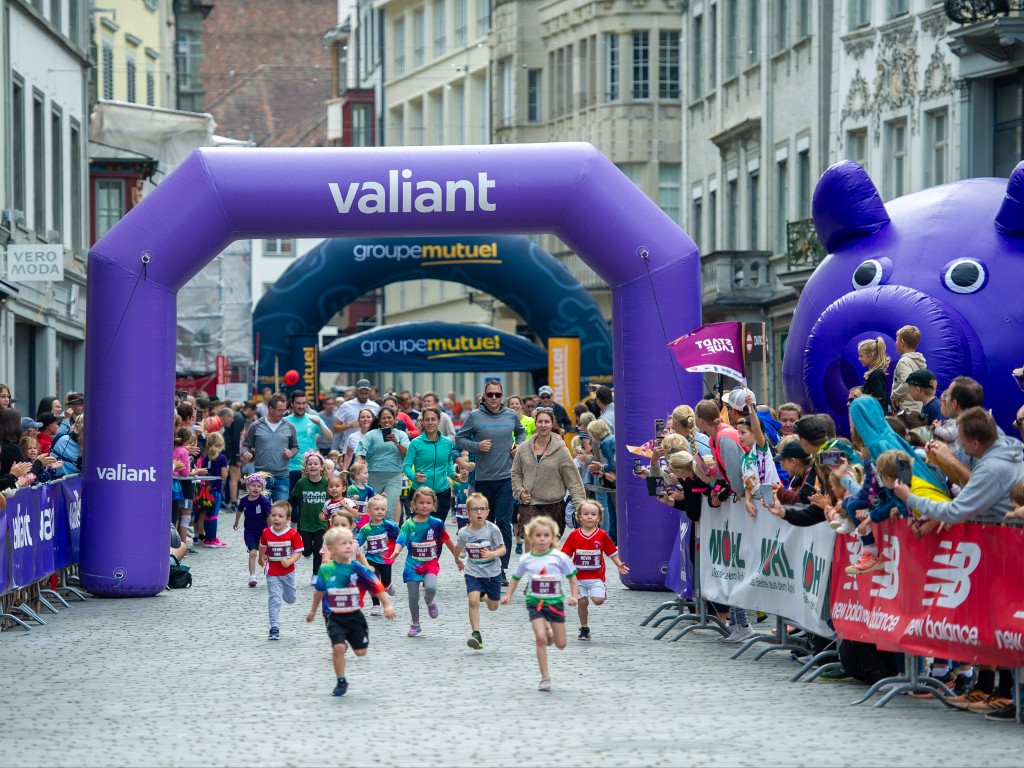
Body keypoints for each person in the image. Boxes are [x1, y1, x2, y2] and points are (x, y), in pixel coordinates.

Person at [306, 527, 395, 697]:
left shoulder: (357, 568)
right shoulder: (326, 570)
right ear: (331, 549)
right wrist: (313, 610)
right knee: (338, 648)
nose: (348, 546)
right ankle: (341, 681)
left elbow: (375, 586)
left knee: (361, 652)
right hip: (334, 616)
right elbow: (319, 592)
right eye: (343, 544)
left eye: (350, 543)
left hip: (355, 616)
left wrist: (387, 605)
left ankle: (357, 636)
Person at [893, 406, 1024, 522]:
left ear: (975, 443)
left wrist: (910, 498)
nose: (959, 442)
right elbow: (967, 490)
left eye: (960, 438)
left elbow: (954, 511)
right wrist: (943, 463)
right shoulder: (1004, 450)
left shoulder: (991, 469)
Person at [455, 378, 525, 585]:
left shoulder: (511, 415)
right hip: (484, 479)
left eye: (498, 394)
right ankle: (486, 565)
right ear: (484, 396)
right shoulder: (475, 416)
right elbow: (459, 439)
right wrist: (476, 446)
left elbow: (520, 432)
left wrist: (519, 446)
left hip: (506, 478)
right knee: (486, 523)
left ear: (502, 396)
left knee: (504, 523)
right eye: (490, 394)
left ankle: (501, 568)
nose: (494, 398)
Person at [500, 515, 579, 692]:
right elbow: (515, 578)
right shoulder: (526, 559)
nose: (542, 539)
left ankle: (551, 632)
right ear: (530, 537)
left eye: (546, 535)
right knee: (540, 638)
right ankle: (545, 677)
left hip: (555, 602)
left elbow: (572, 577)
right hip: (535, 602)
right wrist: (508, 596)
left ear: (552, 537)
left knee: (561, 644)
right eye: (538, 535)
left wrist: (574, 596)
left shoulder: (559, 557)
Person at [390, 487, 464, 637]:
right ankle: (415, 623)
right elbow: (401, 540)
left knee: (430, 588)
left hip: (430, 564)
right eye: (421, 502)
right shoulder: (408, 525)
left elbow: (448, 542)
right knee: (412, 597)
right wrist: (396, 551)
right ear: (414, 504)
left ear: (433, 505)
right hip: (412, 565)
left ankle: (429, 601)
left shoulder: (436, 524)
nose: (424, 506)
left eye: (428, 503)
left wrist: (457, 558)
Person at [511, 405, 587, 537]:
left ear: (552, 424)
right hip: (530, 503)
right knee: (531, 541)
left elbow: (573, 480)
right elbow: (516, 472)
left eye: (547, 422)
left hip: (554, 505)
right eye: (540, 421)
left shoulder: (561, 450)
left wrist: (580, 508)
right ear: (535, 423)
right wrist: (519, 491)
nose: (543, 425)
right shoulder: (523, 448)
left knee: (550, 549)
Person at [560, 500, 628, 641]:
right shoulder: (574, 535)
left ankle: (597, 592)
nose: (589, 517)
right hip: (577, 578)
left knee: (598, 600)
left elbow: (611, 552)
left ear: (599, 518)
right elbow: (565, 554)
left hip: (596, 577)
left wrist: (619, 564)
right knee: (582, 602)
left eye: (593, 514)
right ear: (579, 517)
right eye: (586, 514)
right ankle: (584, 628)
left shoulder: (601, 535)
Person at [454, 492, 506, 650]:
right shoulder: (464, 532)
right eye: (475, 509)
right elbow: (459, 547)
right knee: (472, 600)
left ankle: (484, 596)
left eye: (482, 509)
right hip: (473, 571)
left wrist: (492, 554)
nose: (479, 512)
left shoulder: (493, 530)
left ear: (488, 512)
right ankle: (476, 633)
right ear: (468, 512)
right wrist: (457, 559)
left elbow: (503, 549)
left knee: (493, 606)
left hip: (492, 573)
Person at [258, 501, 304, 641]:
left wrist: (289, 561)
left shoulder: (292, 534)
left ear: (288, 519)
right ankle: (274, 627)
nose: (276, 519)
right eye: (273, 515)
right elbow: (262, 545)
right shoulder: (266, 532)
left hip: (287, 572)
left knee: (290, 599)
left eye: (280, 516)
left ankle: (286, 593)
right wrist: (261, 558)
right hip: (272, 571)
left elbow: (298, 552)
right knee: (274, 598)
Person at [240, 393, 298, 503]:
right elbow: (246, 445)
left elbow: (295, 447)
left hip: (282, 476)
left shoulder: (289, 426)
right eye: (280, 410)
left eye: (284, 410)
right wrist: (245, 453)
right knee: (262, 514)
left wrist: (291, 453)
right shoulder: (256, 425)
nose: (283, 413)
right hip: (261, 477)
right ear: (271, 408)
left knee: (280, 512)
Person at [403, 405, 458, 522]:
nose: (430, 422)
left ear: (439, 421)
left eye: (433, 419)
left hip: (442, 492)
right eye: (427, 419)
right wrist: (414, 476)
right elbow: (406, 466)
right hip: (420, 493)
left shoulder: (447, 442)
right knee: (420, 532)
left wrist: (454, 475)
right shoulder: (415, 443)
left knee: (437, 532)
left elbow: (448, 464)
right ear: (423, 422)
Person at [355, 407, 410, 522]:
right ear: (379, 421)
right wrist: (360, 463)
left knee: (388, 510)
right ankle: (374, 535)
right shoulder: (371, 435)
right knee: (374, 509)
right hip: (374, 475)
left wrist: (397, 442)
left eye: (389, 417)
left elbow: (407, 454)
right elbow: (360, 450)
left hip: (394, 476)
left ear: (395, 419)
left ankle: (389, 537)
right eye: (383, 418)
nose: (386, 420)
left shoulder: (401, 435)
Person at [289, 451, 330, 586]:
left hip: (321, 523)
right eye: (310, 464)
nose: (313, 466)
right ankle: (307, 551)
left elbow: (333, 500)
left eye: (316, 464)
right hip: (305, 523)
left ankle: (315, 574)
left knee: (318, 548)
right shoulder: (301, 483)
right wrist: (283, 509)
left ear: (321, 467)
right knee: (306, 551)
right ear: (306, 466)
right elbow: (293, 499)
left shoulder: (326, 483)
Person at [355, 495, 400, 615]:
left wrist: (396, 549)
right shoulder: (366, 529)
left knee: (384, 583)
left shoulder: (390, 526)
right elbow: (358, 541)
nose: (380, 512)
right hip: (371, 559)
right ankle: (376, 605)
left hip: (385, 560)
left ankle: (388, 586)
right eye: (377, 509)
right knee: (373, 581)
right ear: (369, 511)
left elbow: (400, 538)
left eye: (383, 509)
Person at [285, 391, 332, 497]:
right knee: (291, 503)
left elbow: (330, 437)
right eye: (298, 403)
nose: (301, 406)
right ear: (291, 404)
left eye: (304, 403)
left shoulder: (314, 419)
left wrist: (320, 424)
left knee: (306, 503)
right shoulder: (284, 421)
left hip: (309, 469)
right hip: (289, 468)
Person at [233, 472, 272, 587]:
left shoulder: (263, 501)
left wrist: (271, 529)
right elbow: (239, 511)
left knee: (265, 555)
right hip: (250, 532)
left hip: (264, 532)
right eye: (253, 485)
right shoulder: (244, 500)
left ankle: (269, 572)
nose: (256, 488)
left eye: (259, 486)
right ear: (247, 487)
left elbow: (270, 514)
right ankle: (252, 576)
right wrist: (236, 522)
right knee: (253, 553)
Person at [584, 418, 617, 540]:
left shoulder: (605, 443)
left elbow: (613, 465)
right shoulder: (612, 438)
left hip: (613, 479)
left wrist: (601, 468)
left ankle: (606, 536)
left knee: (609, 506)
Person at [195, 432, 230, 548]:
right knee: (214, 515)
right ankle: (212, 539)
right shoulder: (222, 458)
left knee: (207, 515)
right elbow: (223, 475)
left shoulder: (205, 458)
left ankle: (207, 538)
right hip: (216, 490)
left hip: (206, 490)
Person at [890, 325, 926, 415]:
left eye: (897, 339)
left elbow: (907, 382)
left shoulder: (904, 361)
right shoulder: (918, 361)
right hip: (917, 407)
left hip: (906, 409)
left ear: (902, 342)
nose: (896, 342)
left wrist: (894, 396)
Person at [334, 378, 380, 449]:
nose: (363, 396)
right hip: (348, 448)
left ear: (370, 392)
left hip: (369, 448)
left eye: (366, 393)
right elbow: (335, 428)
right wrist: (348, 426)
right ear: (356, 391)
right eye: (361, 393)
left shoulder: (375, 407)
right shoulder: (346, 405)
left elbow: (379, 427)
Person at [857, 337, 891, 414]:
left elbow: (878, 396)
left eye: (861, 356)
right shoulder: (874, 373)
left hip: (878, 415)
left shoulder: (876, 374)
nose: (859, 359)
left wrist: (861, 395)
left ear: (871, 355)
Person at [341, 408, 375, 472]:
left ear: (373, 419)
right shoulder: (352, 437)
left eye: (368, 417)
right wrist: (344, 470)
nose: (365, 419)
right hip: (358, 474)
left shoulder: (378, 435)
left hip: (375, 472)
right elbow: (348, 454)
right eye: (362, 417)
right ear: (359, 420)